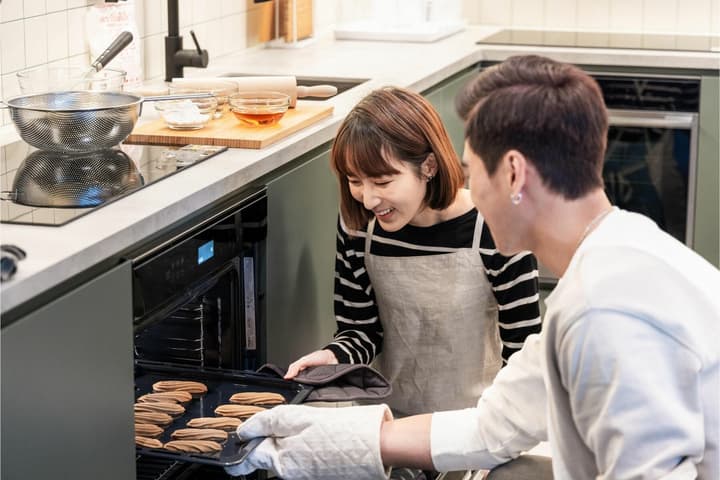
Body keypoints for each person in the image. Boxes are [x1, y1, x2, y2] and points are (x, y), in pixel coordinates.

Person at [227, 55, 720, 479]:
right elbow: (493, 425)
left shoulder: (606, 311)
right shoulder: (605, 268)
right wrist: (329, 441)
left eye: (470, 169)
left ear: (512, 173)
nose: (467, 189)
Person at [283, 86, 542, 418]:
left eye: (382, 181)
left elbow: (524, 355)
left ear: (429, 166)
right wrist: (333, 358)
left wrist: (500, 434)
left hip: (473, 423)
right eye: (354, 181)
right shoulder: (358, 225)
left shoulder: (496, 226)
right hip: (384, 420)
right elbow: (361, 331)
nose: (368, 199)